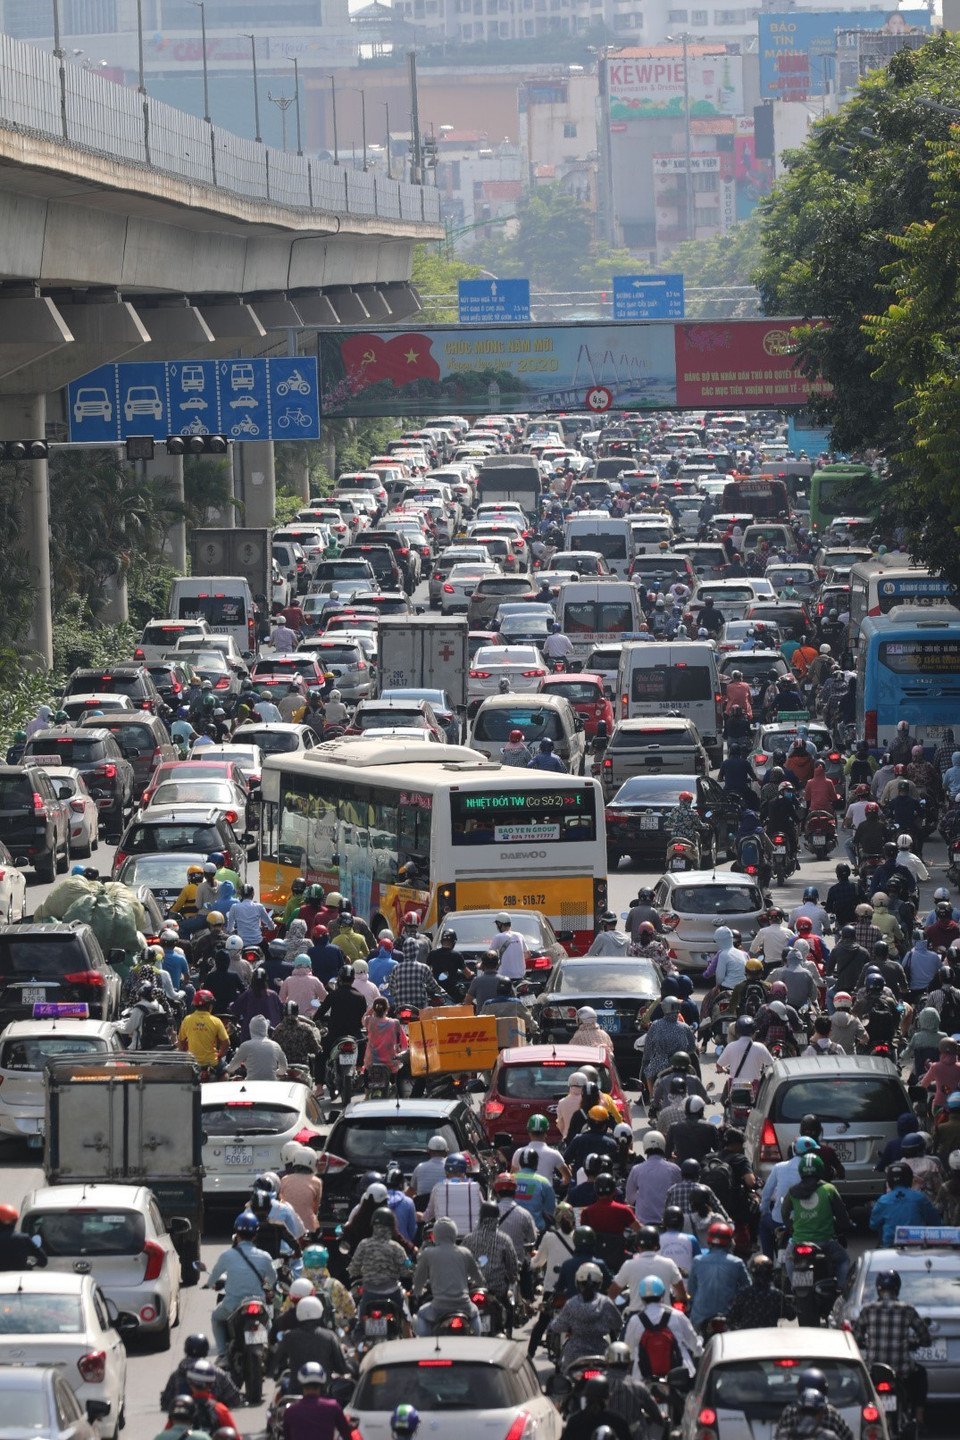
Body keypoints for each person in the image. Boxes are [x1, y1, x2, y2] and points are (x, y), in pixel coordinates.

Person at [852, 1271, 931, 1424]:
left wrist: (864, 1343)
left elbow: (855, 1337)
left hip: (874, 1370)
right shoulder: (907, 1309)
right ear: (897, 1288)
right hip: (902, 1370)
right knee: (920, 1374)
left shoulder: (867, 1309)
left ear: (878, 1288)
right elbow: (925, 1338)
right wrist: (915, 1342)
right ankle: (919, 1417)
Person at [205, 1212, 276, 1359]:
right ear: (255, 1235)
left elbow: (214, 1276)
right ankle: (270, 1352)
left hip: (232, 1305)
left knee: (216, 1318)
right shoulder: (264, 1256)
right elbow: (273, 1278)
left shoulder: (227, 1255)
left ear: (237, 1234)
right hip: (258, 1303)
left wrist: (210, 1284)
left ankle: (222, 1353)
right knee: (269, 1324)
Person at [781, 1153, 851, 1286]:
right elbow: (842, 1216)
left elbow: (784, 1212)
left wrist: (791, 1227)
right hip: (825, 1242)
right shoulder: (829, 1189)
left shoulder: (792, 1192)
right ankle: (842, 1293)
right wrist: (846, 1225)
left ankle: (794, 1287)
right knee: (843, 1261)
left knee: (788, 1260)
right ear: (821, 1169)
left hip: (798, 1242)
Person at [413, 1215, 484, 1335]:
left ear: (435, 1234)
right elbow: (479, 1278)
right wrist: (481, 1283)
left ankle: (426, 1343)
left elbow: (418, 1280)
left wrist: (417, 1292)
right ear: (454, 1233)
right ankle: (476, 1340)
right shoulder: (464, 1252)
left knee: (420, 1314)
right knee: (476, 1312)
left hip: (439, 1307)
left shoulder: (428, 1253)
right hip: (464, 1305)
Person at [547, 1261, 622, 1366]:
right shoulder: (605, 1302)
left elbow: (559, 1326)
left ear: (577, 1282)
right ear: (599, 1283)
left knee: (564, 1378)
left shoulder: (571, 1303)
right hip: (601, 1352)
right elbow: (617, 1323)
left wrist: (552, 1325)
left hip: (574, 1354)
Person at [687, 1222, 750, 1331]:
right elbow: (747, 1288)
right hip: (728, 1315)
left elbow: (691, 1291)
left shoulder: (698, 1261)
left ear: (709, 1241)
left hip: (700, 1316)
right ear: (730, 1242)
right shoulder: (737, 1262)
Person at [869, 1161, 941, 1243]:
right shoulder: (920, 1197)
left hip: (890, 1245)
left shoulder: (883, 1200)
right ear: (910, 1179)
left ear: (889, 1180)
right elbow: (936, 1222)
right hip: (917, 1245)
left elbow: (873, 1225)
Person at [280, 1361, 353, 1440]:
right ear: (322, 1383)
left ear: (300, 1383)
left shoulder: (290, 1412)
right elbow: (347, 1435)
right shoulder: (333, 1407)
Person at [226, 1012, 286, 1082]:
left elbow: (232, 1067)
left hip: (251, 1084)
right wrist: (276, 1073)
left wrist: (225, 1069)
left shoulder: (246, 1046)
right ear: (265, 1028)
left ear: (251, 1028)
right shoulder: (275, 1045)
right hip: (271, 1084)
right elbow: (283, 1068)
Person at [178, 992, 229, 1072]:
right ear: (208, 1005)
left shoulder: (187, 1020)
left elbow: (181, 1043)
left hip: (192, 1064)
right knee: (225, 1075)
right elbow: (226, 1043)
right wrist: (219, 1055)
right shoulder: (216, 1021)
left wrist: (185, 1058)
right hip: (211, 1063)